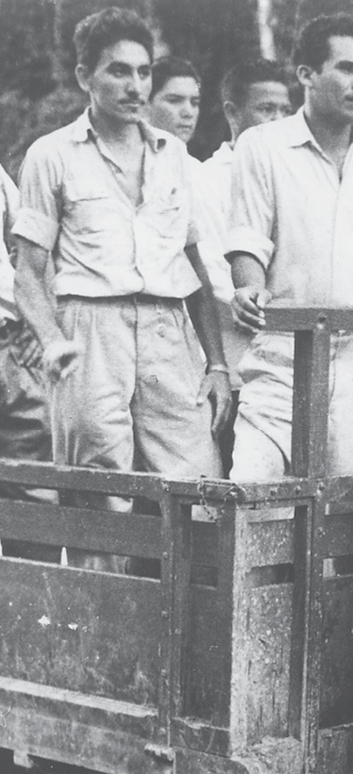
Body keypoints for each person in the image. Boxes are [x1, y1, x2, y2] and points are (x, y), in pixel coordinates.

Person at [12, 6, 230, 570]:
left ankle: (180, 648)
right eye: (118, 72)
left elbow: (194, 264)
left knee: (195, 485)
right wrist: (51, 336)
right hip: (89, 331)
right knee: (98, 500)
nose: (135, 87)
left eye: (143, 72)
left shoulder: (174, 155)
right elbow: (29, 269)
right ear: (85, 76)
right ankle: (101, 650)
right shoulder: (51, 155)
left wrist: (219, 364)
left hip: (168, 331)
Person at [226, 15, 353, 480]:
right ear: (306, 74)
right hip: (283, 355)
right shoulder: (262, 145)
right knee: (252, 489)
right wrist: (249, 288)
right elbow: (248, 238)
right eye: (347, 69)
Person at [197, 59, 291, 474]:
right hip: (237, 364)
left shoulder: (291, 172)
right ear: (233, 112)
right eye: (266, 110)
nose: (277, 120)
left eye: (285, 111)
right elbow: (213, 276)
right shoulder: (208, 180)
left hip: (293, 364)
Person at [0, 163, 58, 563]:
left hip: (12, 343)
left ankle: (37, 621)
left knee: (33, 495)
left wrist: (40, 323)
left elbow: (32, 252)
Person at [146, 55, 201, 145]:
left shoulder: (191, 160)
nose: (188, 113)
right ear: (146, 105)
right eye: (174, 101)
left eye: (194, 103)